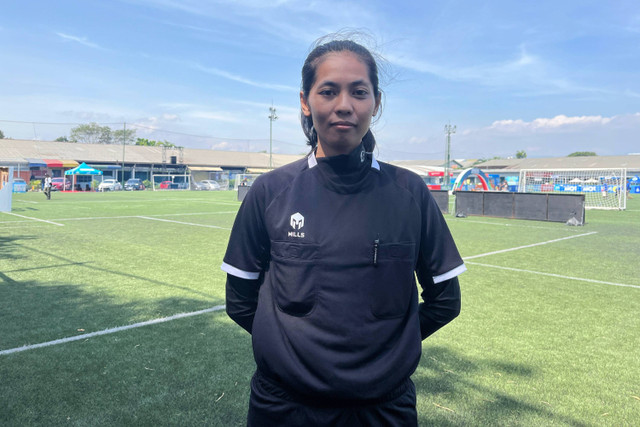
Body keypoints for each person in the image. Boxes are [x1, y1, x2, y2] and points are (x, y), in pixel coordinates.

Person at [222, 35, 465, 426]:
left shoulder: (409, 193)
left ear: (376, 103)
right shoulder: (270, 191)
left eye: (359, 92)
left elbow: (445, 301)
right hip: (284, 408)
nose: (344, 106)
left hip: (384, 410)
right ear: (305, 101)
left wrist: (388, 354)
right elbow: (240, 301)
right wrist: (287, 351)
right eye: (329, 91)